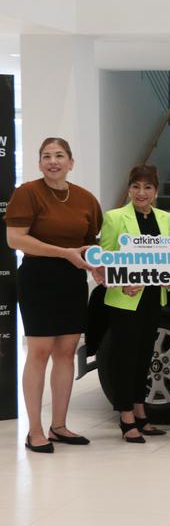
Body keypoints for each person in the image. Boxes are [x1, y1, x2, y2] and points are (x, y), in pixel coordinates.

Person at [5, 137, 102, 453]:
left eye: (59, 156)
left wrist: (99, 267)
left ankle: (58, 426)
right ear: (39, 163)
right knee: (40, 351)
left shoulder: (86, 199)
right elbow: (16, 240)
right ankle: (34, 430)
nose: (53, 161)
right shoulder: (27, 193)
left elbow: (90, 246)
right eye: (46, 156)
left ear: (71, 162)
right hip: (39, 278)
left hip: (72, 279)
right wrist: (64, 253)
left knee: (66, 351)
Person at [99, 165, 170, 443]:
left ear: (155, 191)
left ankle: (141, 411)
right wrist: (121, 283)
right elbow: (104, 262)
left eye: (148, 187)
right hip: (124, 300)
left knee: (145, 356)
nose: (142, 193)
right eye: (136, 187)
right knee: (124, 357)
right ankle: (126, 416)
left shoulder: (164, 218)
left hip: (154, 296)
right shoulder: (115, 218)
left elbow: (167, 257)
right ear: (129, 189)